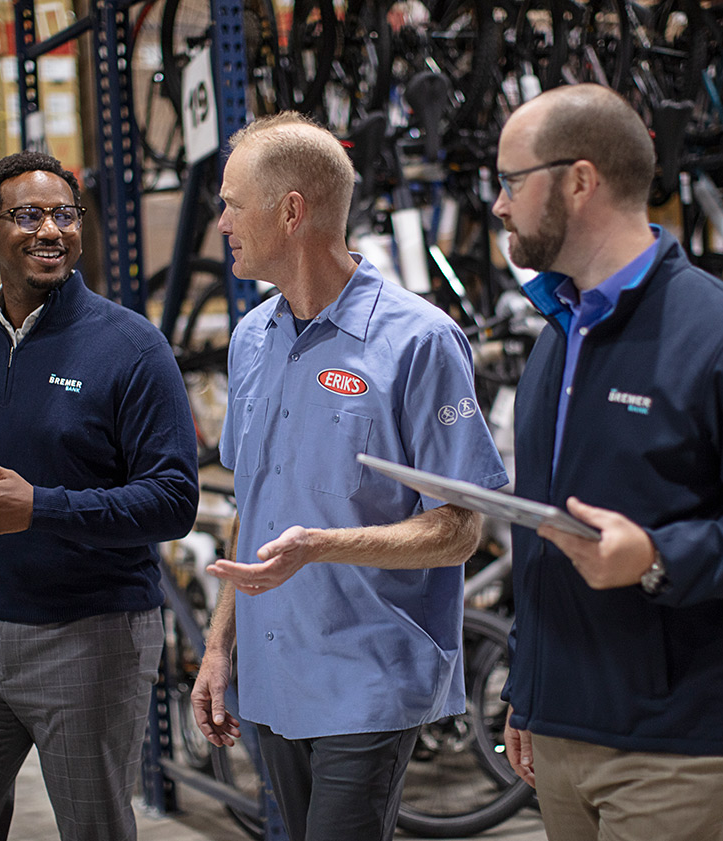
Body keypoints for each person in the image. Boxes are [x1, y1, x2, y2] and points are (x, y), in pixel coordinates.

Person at [491, 82, 723, 841]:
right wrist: (528, 688)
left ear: (579, 180)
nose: (499, 206)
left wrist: (659, 557)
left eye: (510, 182)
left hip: (673, 739)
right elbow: (545, 536)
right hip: (559, 721)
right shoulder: (558, 335)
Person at [190, 112, 508, 841]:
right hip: (274, 676)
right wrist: (218, 647)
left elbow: (459, 529)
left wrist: (324, 545)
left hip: (369, 673)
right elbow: (255, 506)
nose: (221, 223)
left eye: (233, 203)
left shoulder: (419, 340)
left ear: (291, 211)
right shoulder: (251, 339)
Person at [0, 150, 199, 841]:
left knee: (93, 829)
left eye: (65, 215)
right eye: (29, 215)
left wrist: (40, 506)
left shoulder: (131, 348)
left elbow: (173, 500)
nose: (52, 230)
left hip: (91, 634)